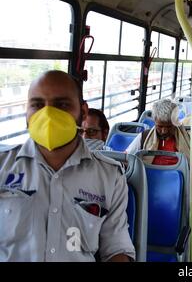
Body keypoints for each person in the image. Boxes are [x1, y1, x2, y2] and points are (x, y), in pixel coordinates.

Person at [0, 71, 135, 262]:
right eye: (37, 105)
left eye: (61, 105)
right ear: (27, 112)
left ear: (84, 112)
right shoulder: (3, 167)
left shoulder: (110, 177)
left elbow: (116, 247)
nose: (47, 115)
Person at [126, 99, 192, 255]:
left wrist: (184, 176)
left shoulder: (188, 139)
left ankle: (187, 256)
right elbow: (126, 161)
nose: (163, 131)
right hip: (148, 192)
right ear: (154, 121)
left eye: (168, 127)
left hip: (183, 192)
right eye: (159, 126)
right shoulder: (144, 138)